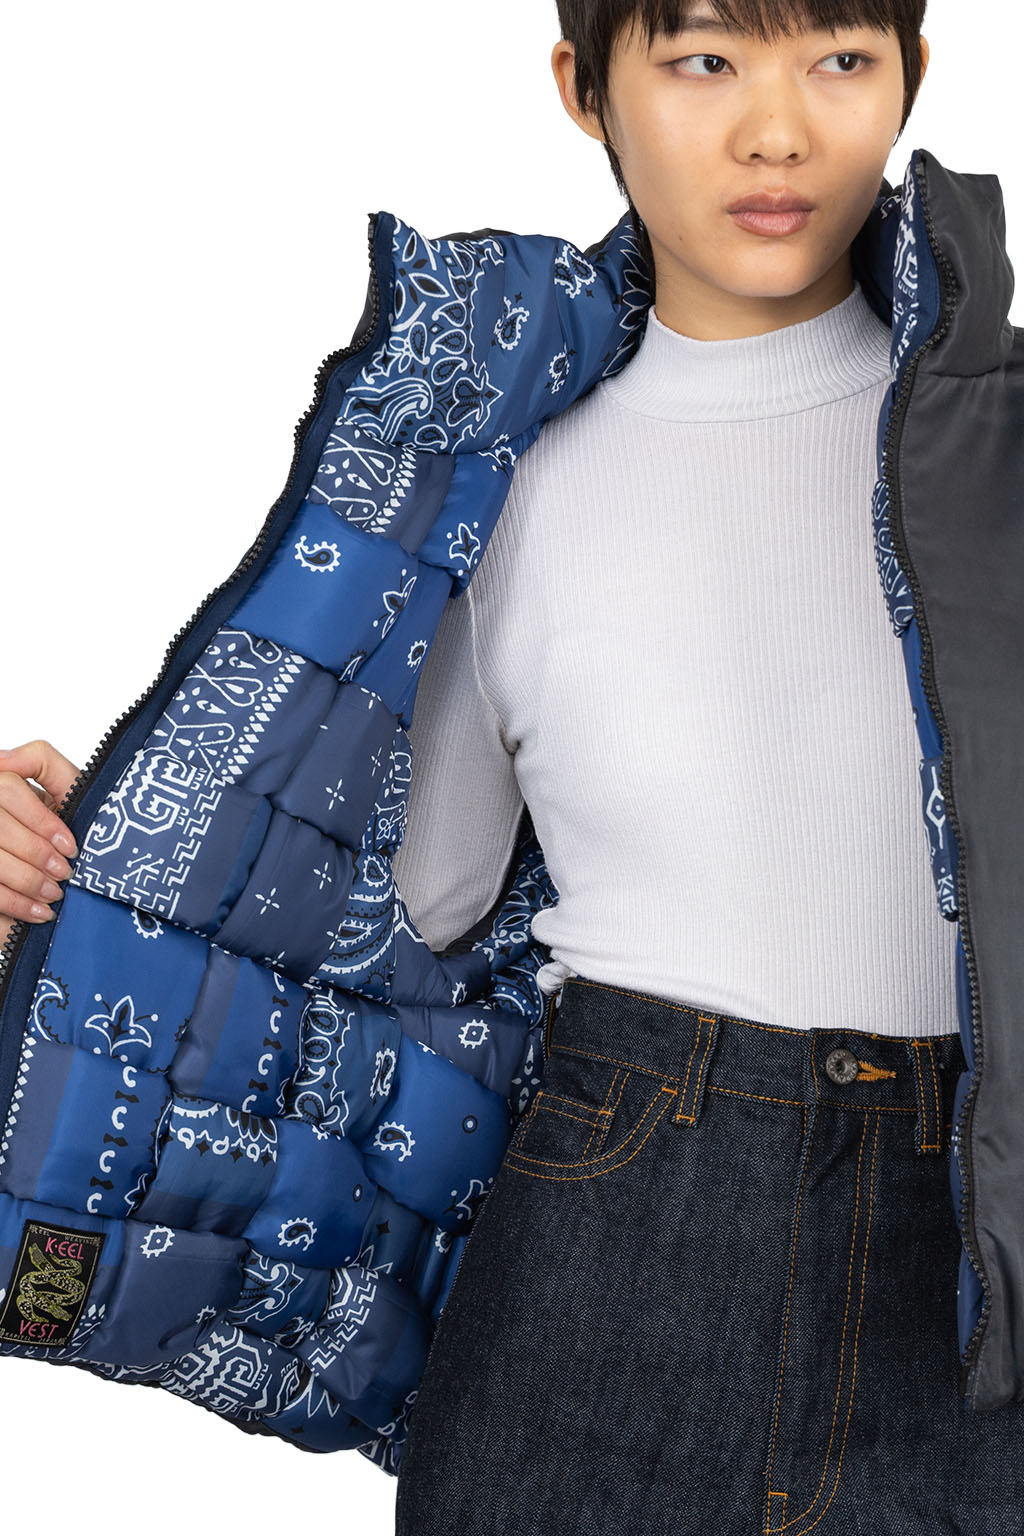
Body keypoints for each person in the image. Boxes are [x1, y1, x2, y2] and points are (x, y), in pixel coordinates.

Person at [2, 3, 1023, 1532]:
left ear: (912, 80)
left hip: (974, 1282)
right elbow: (374, 922)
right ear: (584, 87)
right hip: (611, 1238)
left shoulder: (1007, 452)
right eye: (704, 60)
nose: (777, 130)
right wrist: (73, 868)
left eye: (840, 59)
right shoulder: (491, 473)